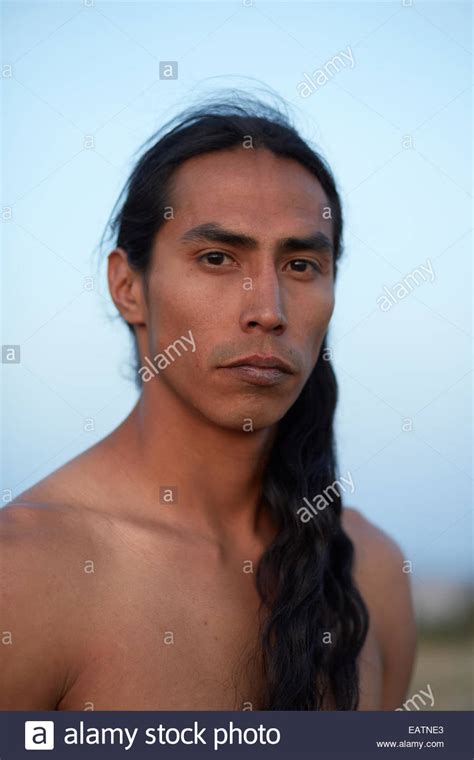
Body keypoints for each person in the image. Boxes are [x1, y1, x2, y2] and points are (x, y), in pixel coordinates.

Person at [0, 96, 416, 711]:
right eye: (218, 258)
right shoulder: (26, 576)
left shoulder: (370, 573)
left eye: (301, 264)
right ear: (128, 287)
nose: (268, 311)